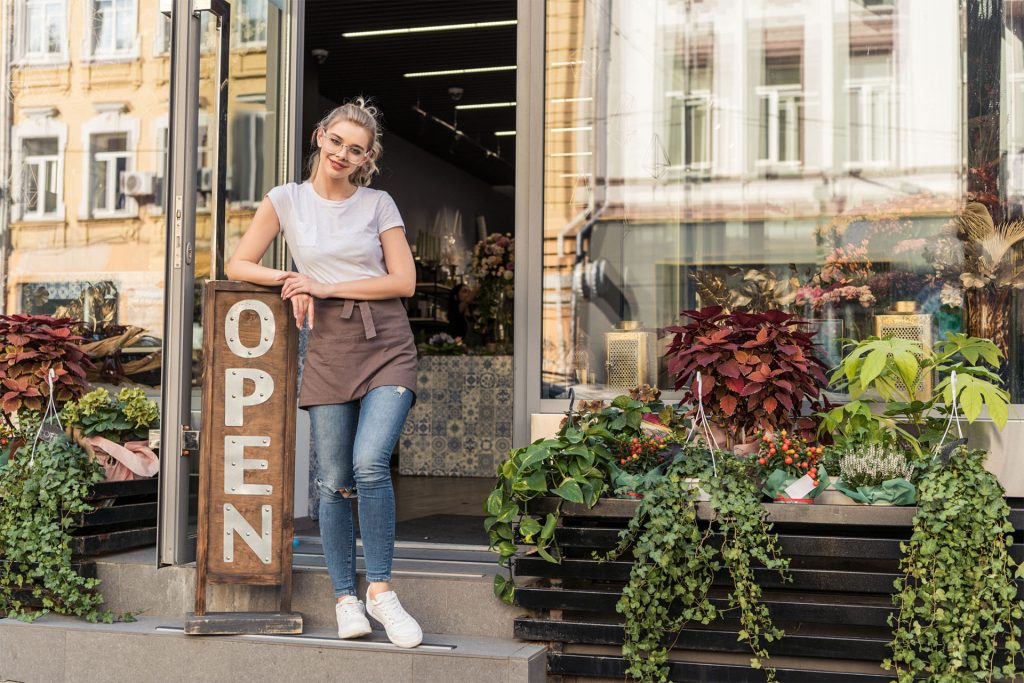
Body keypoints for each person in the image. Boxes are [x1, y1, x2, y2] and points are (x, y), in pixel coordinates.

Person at [225, 98, 422, 648]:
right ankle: (345, 599)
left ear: (367, 158)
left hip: (386, 341)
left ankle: (382, 592)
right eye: (336, 141)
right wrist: (290, 277)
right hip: (330, 345)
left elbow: (403, 281)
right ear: (319, 137)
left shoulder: (379, 204)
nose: (342, 154)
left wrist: (325, 285)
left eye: (355, 149)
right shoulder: (285, 200)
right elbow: (237, 263)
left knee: (369, 463)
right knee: (333, 479)